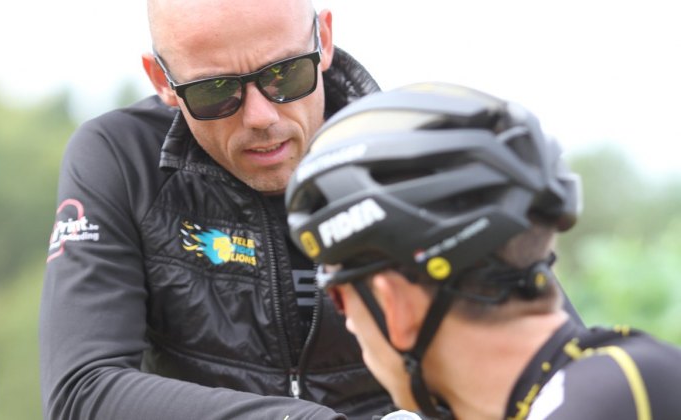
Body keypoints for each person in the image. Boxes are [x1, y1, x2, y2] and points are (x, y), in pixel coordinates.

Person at [39, 0, 399, 418]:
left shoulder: (413, 155)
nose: (260, 117)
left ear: (325, 40)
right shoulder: (123, 157)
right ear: (163, 80)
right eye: (216, 91)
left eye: (285, 73)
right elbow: (81, 392)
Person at [285, 82, 681, 419]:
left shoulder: (601, 402)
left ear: (395, 303)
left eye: (337, 294)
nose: (350, 324)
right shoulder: (628, 379)